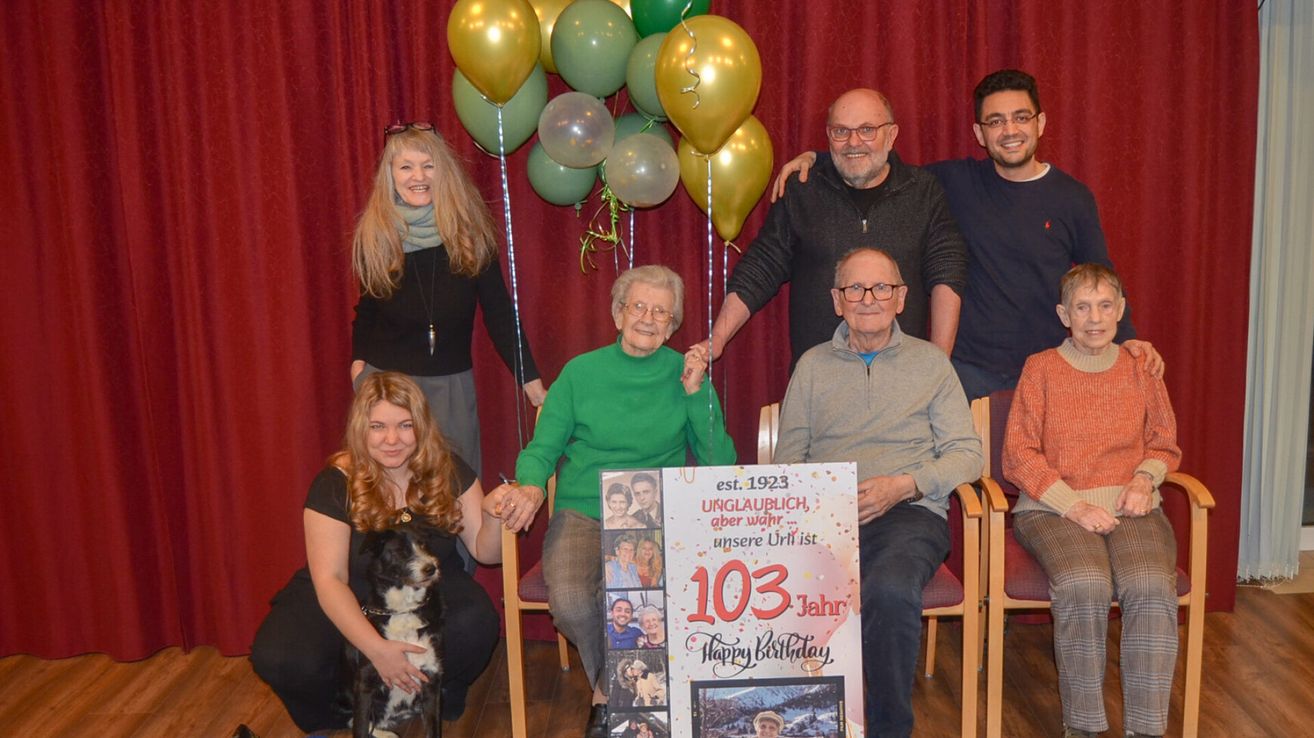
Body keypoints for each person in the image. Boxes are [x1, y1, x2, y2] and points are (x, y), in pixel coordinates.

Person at [770, 71, 1162, 399]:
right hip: (966, 374)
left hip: (1050, 369)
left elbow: (1101, 274)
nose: (1009, 131)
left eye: (1021, 118)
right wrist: (819, 159)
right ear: (979, 132)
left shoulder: (1073, 197)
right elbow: (876, 165)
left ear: (1040, 123)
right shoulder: (952, 182)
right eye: (995, 121)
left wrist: (1127, 337)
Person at [491, 264, 737, 738]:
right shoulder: (581, 373)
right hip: (584, 509)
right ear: (618, 313)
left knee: (647, 601)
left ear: (673, 325)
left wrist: (693, 394)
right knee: (571, 601)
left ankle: (619, 699)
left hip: (656, 519)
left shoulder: (685, 374)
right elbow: (543, 448)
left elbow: (720, 465)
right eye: (638, 306)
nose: (648, 318)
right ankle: (615, 689)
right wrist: (529, 485)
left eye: (661, 311)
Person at [773, 248, 983, 737]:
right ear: (836, 300)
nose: (868, 299)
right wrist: (824, 503)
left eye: (881, 287)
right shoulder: (811, 367)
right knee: (780, 589)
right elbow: (788, 461)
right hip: (825, 518)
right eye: (854, 289)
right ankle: (804, 723)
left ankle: (888, 729)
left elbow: (967, 455)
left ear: (901, 297)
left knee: (888, 589)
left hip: (909, 514)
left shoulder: (931, 365)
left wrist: (905, 485)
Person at [250, 372, 508, 732]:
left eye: (405, 425)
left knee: (477, 621)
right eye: (377, 426)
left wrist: (494, 515)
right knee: (281, 656)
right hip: (349, 586)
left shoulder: (446, 469)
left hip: (423, 586)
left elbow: (487, 552)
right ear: (361, 429)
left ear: (421, 426)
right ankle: (338, 717)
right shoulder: (335, 482)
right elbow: (330, 579)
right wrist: (377, 649)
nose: (392, 440)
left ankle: (442, 686)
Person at [1002, 264, 1181, 738]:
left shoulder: (1141, 367)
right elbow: (1018, 456)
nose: (1094, 318)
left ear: (1121, 311)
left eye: (1105, 306)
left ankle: (1145, 729)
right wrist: (1075, 506)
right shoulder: (1040, 368)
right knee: (1084, 584)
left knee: (1150, 585)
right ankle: (1082, 727)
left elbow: (1164, 442)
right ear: (1064, 314)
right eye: (1082, 307)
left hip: (1131, 504)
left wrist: (1144, 481)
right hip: (1052, 509)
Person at [705, 88, 967, 365]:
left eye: (867, 129)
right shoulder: (802, 190)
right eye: (841, 131)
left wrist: (939, 364)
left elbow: (948, 271)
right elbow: (761, 268)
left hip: (903, 379)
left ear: (891, 136)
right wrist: (717, 340)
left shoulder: (923, 192)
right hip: (821, 379)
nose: (853, 142)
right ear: (829, 136)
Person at [349, 122, 547, 474]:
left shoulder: (472, 236)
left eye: (428, 165)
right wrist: (358, 366)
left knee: (455, 499)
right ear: (390, 176)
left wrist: (531, 382)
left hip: (450, 388)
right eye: (405, 166)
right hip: (387, 390)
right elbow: (367, 310)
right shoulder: (375, 236)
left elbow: (500, 313)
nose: (418, 176)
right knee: (387, 505)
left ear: (445, 172)